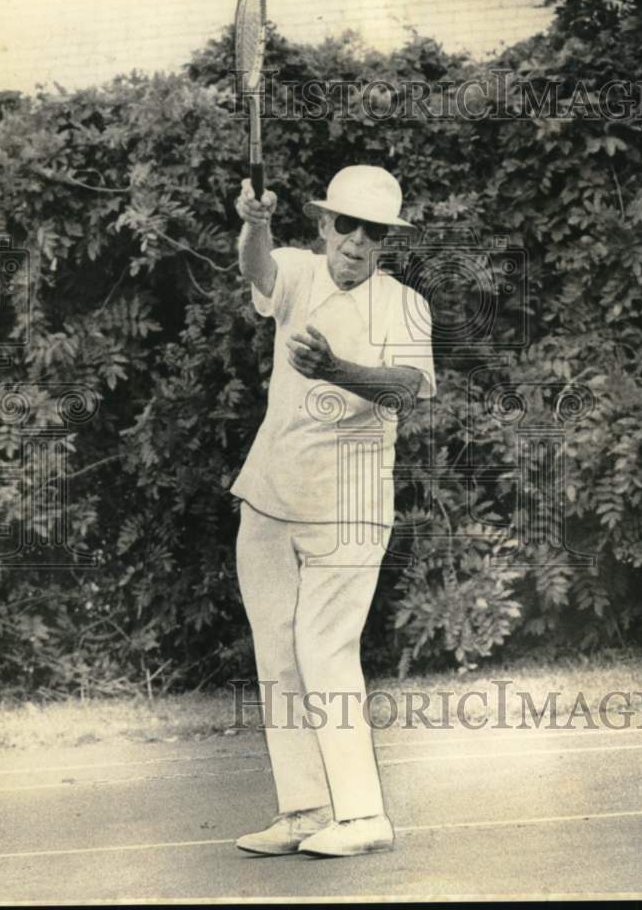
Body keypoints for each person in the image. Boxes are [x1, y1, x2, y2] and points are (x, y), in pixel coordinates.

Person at [230, 165, 436, 857]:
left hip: (349, 507)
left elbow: (408, 387)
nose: (354, 240)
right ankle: (305, 811)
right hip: (268, 495)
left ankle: (363, 816)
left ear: (385, 242)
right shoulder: (294, 271)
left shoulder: (404, 305)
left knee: (325, 651)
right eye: (343, 224)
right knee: (277, 657)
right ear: (322, 225)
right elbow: (258, 271)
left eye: (370, 230)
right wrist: (255, 221)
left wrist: (335, 370)